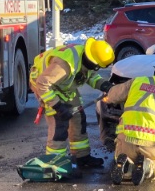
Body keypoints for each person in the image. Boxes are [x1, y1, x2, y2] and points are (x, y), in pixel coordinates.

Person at [30, 38, 115, 167]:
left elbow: (89, 76)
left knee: (78, 118)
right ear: (94, 63)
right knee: (59, 123)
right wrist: (57, 106)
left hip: (63, 85)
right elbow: (43, 83)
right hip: (45, 85)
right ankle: (55, 164)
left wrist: (104, 85)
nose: (96, 69)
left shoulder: (86, 56)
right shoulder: (64, 66)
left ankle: (82, 157)